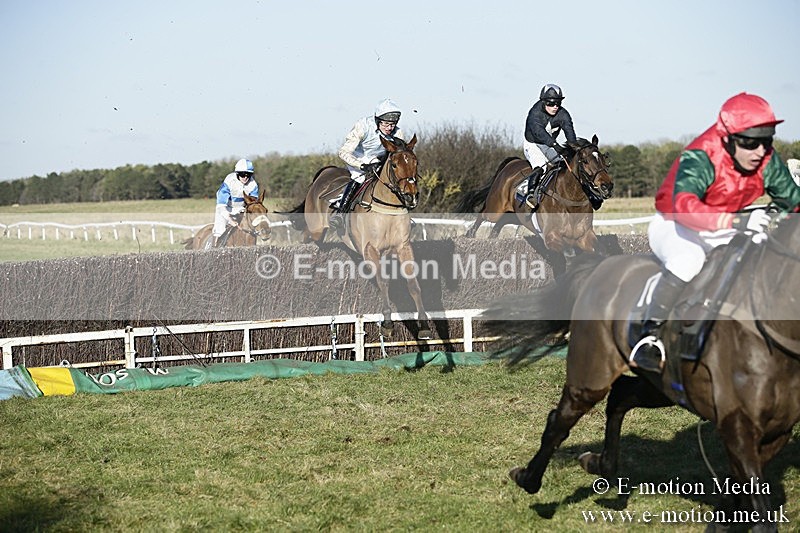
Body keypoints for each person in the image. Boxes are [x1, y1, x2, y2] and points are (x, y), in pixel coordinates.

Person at [629, 92, 800, 372]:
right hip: (675, 223)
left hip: (723, 225)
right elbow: (684, 206)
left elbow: (794, 201)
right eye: (749, 142)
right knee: (689, 260)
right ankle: (649, 335)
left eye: (766, 141)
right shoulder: (702, 155)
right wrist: (736, 223)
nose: (759, 151)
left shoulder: (766, 159)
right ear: (727, 137)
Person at [329, 98, 406, 233]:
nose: (390, 128)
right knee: (359, 178)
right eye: (386, 124)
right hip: (358, 158)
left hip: (379, 160)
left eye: (393, 124)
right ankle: (341, 213)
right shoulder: (362, 126)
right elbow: (343, 152)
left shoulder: (397, 133)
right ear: (378, 121)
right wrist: (362, 165)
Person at [522, 83, 577, 208]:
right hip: (533, 144)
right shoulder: (534, 113)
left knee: (567, 164)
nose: (555, 107)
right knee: (540, 166)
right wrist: (556, 146)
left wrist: (574, 148)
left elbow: (570, 133)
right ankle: (531, 195)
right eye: (551, 104)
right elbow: (539, 133)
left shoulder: (563, 114)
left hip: (549, 146)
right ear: (543, 102)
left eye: (558, 103)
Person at [210, 158, 260, 248]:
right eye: (242, 174)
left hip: (241, 209)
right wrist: (230, 220)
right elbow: (221, 206)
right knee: (220, 229)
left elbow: (253, 205)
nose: (245, 177)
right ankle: (213, 250)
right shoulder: (229, 181)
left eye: (248, 174)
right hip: (225, 208)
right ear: (237, 173)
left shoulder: (253, 185)